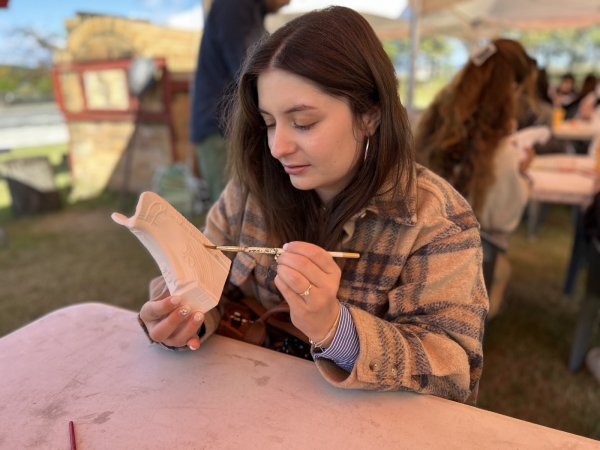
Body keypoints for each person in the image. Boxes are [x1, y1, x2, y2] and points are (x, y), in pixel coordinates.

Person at [139, 6, 488, 403]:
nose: (277, 148)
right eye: (269, 122)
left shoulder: (435, 220)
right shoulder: (250, 189)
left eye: (303, 123)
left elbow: (454, 373)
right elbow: (209, 286)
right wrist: (182, 318)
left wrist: (335, 328)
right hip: (250, 402)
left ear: (371, 114)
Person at [414, 39, 534, 320]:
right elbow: (503, 218)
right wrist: (523, 175)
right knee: (500, 269)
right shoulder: (501, 153)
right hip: (467, 261)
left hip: (414, 240)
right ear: (512, 88)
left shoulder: (431, 123)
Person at [190, 0, 290, 204]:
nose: (289, 2)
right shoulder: (234, 6)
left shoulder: (250, 11)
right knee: (234, 211)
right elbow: (252, 74)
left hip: (232, 129)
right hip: (220, 131)